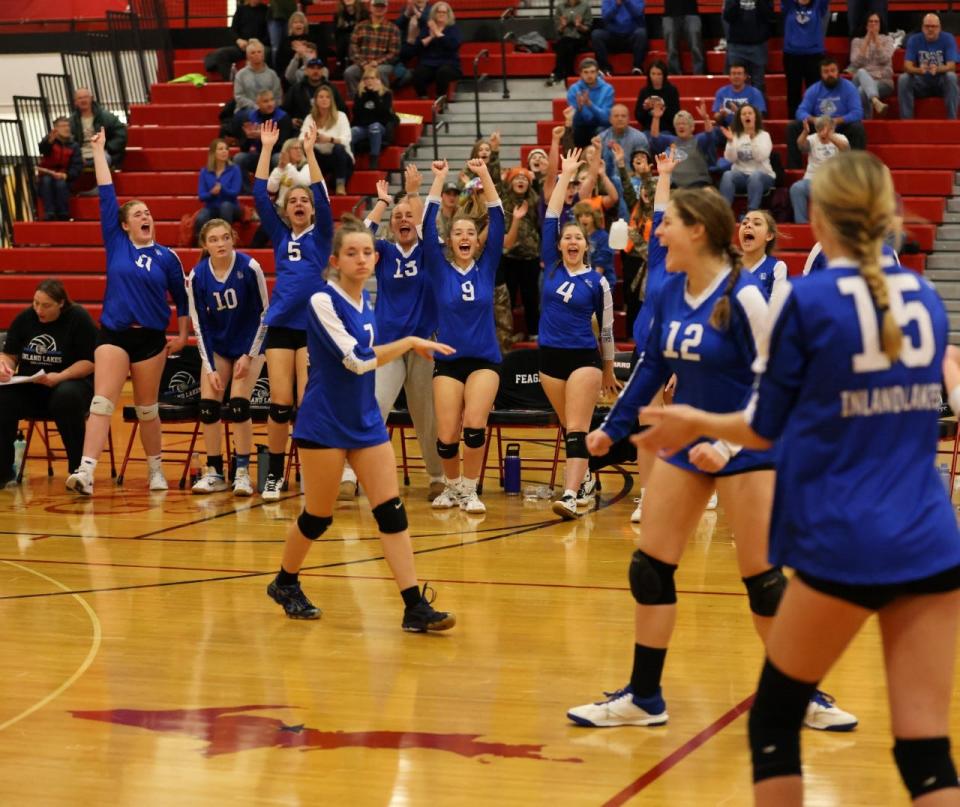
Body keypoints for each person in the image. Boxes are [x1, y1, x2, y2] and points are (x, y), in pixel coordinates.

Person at [635, 149, 958, 805]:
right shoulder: (923, 295)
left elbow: (763, 426)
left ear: (819, 216)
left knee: (776, 724)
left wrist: (693, 418)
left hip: (846, 540)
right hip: (931, 537)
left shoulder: (809, 299)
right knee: (925, 747)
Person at [567, 150, 857, 733]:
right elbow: (650, 366)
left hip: (748, 445)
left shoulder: (747, 296)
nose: (659, 230)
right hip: (686, 442)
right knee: (650, 568)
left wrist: (726, 447)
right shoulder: (672, 290)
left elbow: (777, 382)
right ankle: (644, 698)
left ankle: (804, 695)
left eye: (668, 221)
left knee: (763, 581)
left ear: (697, 231)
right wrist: (610, 430)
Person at [265, 217, 457, 632]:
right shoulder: (321, 301)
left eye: (368, 252)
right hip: (324, 423)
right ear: (335, 260)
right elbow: (357, 360)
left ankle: (413, 607)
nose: (362, 259)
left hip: (365, 421)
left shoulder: (364, 301)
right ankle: (285, 581)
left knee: (391, 511)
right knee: (318, 516)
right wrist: (407, 342)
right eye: (352, 253)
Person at [65, 129, 189, 495]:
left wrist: (181, 335)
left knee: (147, 408)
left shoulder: (168, 257)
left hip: (151, 338)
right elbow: (107, 195)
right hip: (115, 333)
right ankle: (86, 471)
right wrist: (98, 151)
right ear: (124, 224)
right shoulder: (116, 242)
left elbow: (182, 299)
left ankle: (155, 470)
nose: (144, 216)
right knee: (102, 400)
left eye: (147, 213)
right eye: (137, 214)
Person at [254, 119, 332, 501]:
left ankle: (314, 475)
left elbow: (320, 190)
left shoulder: (322, 235)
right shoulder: (281, 235)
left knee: (308, 403)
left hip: (314, 326)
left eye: (305, 201)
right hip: (282, 324)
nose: (300, 203)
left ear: (313, 210)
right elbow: (257, 195)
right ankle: (273, 475)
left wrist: (312, 151)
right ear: (285, 211)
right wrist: (267, 150)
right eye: (293, 201)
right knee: (279, 404)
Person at [422, 157, 504, 514]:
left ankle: (470, 490)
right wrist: (438, 179)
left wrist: (484, 174)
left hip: (485, 360)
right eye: (459, 233)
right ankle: (452, 487)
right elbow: (427, 225)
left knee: (474, 427)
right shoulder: (439, 269)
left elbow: (498, 220)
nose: (465, 237)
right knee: (446, 435)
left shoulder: (486, 266)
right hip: (448, 361)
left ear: (476, 240)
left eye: (471, 233)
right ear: (450, 240)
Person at [542, 149, 619, 519]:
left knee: (576, 428)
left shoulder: (597, 282)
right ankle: (586, 478)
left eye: (579, 238)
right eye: (567, 237)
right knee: (568, 425)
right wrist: (566, 175)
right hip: (549, 360)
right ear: (559, 245)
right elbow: (551, 216)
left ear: (586, 246)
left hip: (583, 360)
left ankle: (570, 495)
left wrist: (607, 368)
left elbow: (605, 330)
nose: (572, 241)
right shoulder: (552, 271)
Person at [362, 169, 446, 500]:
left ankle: (437, 475)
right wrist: (383, 203)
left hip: (424, 343)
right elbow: (359, 235)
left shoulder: (429, 249)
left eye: (408, 214)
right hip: (388, 344)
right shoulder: (383, 250)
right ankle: (354, 474)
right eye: (397, 217)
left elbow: (426, 221)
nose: (402, 219)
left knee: (425, 413)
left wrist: (415, 193)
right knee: (375, 405)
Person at [187, 219, 269, 496]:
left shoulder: (249, 267)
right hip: (220, 346)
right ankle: (214, 472)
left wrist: (249, 354)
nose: (220, 244)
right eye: (214, 239)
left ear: (233, 238)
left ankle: (243, 472)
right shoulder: (197, 276)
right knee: (208, 405)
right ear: (205, 244)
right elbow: (200, 325)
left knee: (238, 403)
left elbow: (265, 315)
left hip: (251, 344)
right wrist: (210, 367)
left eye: (225, 238)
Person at [0, 280, 96, 485]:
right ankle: (3, 470)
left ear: (61, 303)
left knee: (66, 396)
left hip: (71, 383)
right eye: (35, 303)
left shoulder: (78, 319)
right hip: (32, 386)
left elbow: (90, 362)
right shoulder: (26, 318)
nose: (38, 310)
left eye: (46, 305)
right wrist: (5, 367)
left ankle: (78, 471)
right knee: (3, 398)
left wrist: (60, 376)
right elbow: (9, 354)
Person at [786, 58, 865, 169]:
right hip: (819, 126)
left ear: (838, 72)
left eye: (833, 71)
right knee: (792, 126)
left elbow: (857, 113)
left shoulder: (849, 87)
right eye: (826, 72)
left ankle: (857, 167)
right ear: (821, 74)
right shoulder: (813, 89)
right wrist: (815, 120)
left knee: (857, 128)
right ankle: (794, 169)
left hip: (840, 125)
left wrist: (836, 121)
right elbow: (800, 112)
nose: (830, 74)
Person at [501, 167, 542, 341]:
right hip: (508, 257)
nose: (520, 181)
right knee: (507, 298)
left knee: (531, 297)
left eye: (524, 178)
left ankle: (534, 332)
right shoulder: (503, 202)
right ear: (510, 183)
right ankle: (506, 333)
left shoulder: (535, 201)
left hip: (530, 257)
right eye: (516, 178)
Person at [898, 13, 958, 121]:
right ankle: (906, 121)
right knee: (903, 79)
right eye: (927, 26)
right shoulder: (914, 40)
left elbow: (952, 66)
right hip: (921, 82)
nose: (930, 29)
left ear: (939, 28)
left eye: (933, 26)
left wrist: (938, 69)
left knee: (951, 77)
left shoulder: (948, 38)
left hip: (941, 82)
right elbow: (907, 66)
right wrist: (919, 70)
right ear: (922, 28)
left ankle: (952, 120)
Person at [790, 114, 849, 224]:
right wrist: (805, 133)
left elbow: (846, 150)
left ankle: (834, 225)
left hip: (834, 181)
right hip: (812, 180)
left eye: (826, 128)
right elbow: (801, 147)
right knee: (797, 188)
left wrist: (830, 137)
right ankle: (802, 225)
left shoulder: (841, 138)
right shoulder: (812, 139)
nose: (822, 132)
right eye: (820, 129)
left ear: (832, 128)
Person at [717, 103, 776, 212]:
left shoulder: (764, 135)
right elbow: (730, 159)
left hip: (763, 176)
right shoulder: (734, 135)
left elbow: (760, 157)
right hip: (741, 176)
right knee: (727, 175)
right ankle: (724, 212)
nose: (747, 116)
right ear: (740, 118)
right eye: (744, 114)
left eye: (750, 113)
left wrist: (752, 139)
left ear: (755, 117)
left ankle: (751, 212)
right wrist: (730, 142)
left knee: (755, 176)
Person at [300, 86, 354, 195]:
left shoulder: (341, 116)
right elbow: (301, 139)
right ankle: (311, 186)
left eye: (327, 97)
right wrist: (312, 139)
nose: (324, 99)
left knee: (339, 148)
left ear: (331, 100)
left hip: (340, 158)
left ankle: (340, 185)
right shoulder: (310, 118)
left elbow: (346, 139)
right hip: (320, 157)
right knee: (308, 150)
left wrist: (329, 139)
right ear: (315, 100)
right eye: (321, 97)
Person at [345, 0, 401, 99]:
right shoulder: (360, 26)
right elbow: (353, 48)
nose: (379, 9)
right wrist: (364, 64)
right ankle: (356, 101)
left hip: (383, 65)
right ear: (371, 8)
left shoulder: (393, 28)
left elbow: (394, 53)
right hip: (362, 64)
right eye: (376, 6)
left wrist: (376, 63)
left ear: (386, 9)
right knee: (349, 72)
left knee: (380, 71)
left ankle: (383, 101)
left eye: (382, 7)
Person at [783, 0, 829, 118]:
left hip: (814, 56)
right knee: (793, 93)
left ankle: (815, 126)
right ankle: (794, 125)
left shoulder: (818, 6)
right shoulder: (789, 6)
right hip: (792, 56)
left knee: (814, 93)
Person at [204, 0, 270, 82]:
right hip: (242, 47)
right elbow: (232, 30)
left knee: (266, 52)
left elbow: (269, 33)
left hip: (259, 46)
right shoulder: (241, 10)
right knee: (220, 54)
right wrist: (238, 40)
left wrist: (258, 43)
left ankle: (261, 81)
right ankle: (233, 81)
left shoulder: (266, 10)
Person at [649, 109, 716, 188]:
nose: (681, 126)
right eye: (678, 124)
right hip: (675, 186)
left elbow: (709, 135)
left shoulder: (699, 140)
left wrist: (706, 118)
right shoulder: (670, 140)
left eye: (684, 124)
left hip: (698, 184)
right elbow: (655, 138)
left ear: (692, 127)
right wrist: (656, 118)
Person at [723, 0, 775, 98]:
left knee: (759, 86)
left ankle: (758, 113)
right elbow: (728, 16)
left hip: (758, 45)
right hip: (736, 45)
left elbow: (769, 16)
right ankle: (738, 113)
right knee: (738, 85)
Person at [410, 2, 462, 100]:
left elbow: (453, 46)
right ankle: (423, 99)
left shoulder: (453, 29)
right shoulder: (426, 29)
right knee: (418, 74)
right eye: (438, 12)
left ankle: (440, 100)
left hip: (450, 64)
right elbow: (417, 47)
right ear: (434, 14)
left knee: (443, 72)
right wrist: (431, 36)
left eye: (444, 12)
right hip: (429, 63)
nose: (441, 14)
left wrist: (438, 33)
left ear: (448, 15)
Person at [196, 138, 243, 243]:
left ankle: (228, 240)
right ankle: (202, 245)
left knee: (225, 206)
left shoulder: (234, 169)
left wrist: (222, 189)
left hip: (232, 207)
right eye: (221, 149)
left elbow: (235, 192)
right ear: (213, 153)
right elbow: (201, 196)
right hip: (212, 207)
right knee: (201, 217)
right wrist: (211, 193)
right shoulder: (205, 171)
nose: (224, 151)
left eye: (226, 149)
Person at [849, 12, 895, 117]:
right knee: (861, 72)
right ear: (866, 24)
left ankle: (868, 123)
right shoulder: (856, 41)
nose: (873, 24)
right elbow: (855, 63)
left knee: (862, 90)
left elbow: (884, 59)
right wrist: (867, 40)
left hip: (883, 81)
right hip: (860, 78)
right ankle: (875, 100)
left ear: (880, 24)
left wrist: (877, 40)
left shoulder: (888, 40)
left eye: (876, 22)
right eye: (870, 21)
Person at [352, 66, 398, 170]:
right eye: (366, 79)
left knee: (374, 127)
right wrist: (366, 94)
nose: (369, 81)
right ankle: (351, 160)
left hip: (379, 126)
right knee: (352, 132)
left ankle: (374, 158)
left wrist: (375, 95)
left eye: (372, 78)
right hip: (363, 127)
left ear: (378, 80)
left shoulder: (386, 94)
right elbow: (357, 114)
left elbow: (384, 115)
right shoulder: (359, 95)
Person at [69, 88, 126, 169]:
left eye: (86, 97)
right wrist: (76, 154)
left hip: (102, 152)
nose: (83, 100)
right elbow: (68, 141)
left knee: (104, 160)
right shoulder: (71, 121)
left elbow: (120, 135)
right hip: (81, 155)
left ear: (91, 98)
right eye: (80, 98)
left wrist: (107, 148)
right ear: (75, 102)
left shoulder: (106, 116)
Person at [36, 117, 81, 221]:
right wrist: (49, 142)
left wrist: (67, 175)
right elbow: (43, 149)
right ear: (56, 129)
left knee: (60, 183)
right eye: (63, 126)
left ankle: (63, 213)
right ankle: (49, 213)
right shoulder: (50, 141)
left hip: (65, 176)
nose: (67, 128)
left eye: (68, 125)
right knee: (46, 181)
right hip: (47, 174)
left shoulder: (74, 145)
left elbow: (77, 165)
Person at [283, 57, 347, 130]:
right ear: (306, 71)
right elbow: (285, 110)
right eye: (312, 68)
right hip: (301, 128)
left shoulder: (331, 88)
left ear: (323, 71)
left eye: (318, 68)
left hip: (327, 127)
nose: (315, 71)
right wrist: (291, 120)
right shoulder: (296, 89)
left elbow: (342, 109)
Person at [566, 58, 615, 148]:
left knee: (601, 131)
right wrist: (580, 110)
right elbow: (574, 120)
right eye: (586, 72)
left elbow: (606, 119)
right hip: (581, 126)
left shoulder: (607, 89)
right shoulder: (574, 89)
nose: (589, 75)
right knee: (576, 131)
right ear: (580, 74)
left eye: (592, 72)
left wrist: (590, 105)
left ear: (597, 73)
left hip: (601, 126)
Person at [591, 0, 648, 76]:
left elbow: (638, 14)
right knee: (596, 34)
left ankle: (637, 67)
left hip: (631, 37)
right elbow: (605, 18)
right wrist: (616, 5)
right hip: (613, 36)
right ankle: (605, 67)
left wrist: (627, 2)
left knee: (641, 33)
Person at [738, 209, 786, 298]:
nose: (748, 225)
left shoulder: (777, 267)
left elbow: (777, 308)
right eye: (744, 223)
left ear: (769, 235)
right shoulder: (727, 266)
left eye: (756, 223)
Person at [599, 103, 650, 179]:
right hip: (607, 180)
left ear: (629, 119)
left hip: (633, 179)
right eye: (616, 116)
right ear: (610, 119)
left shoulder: (639, 137)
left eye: (623, 116)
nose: (620, 119)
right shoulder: (601, 138)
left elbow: (642, 166)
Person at [548, 0, 592, 86]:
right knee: (566, 44)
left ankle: (558, 73)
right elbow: (558, 30)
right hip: (564, 38)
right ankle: (569, 75)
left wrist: (579, 26)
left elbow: (588, 29)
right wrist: (563, 26)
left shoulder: (585, 6)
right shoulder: (560, 7)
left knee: (567, 44)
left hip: (580, 38)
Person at [234, 39, 283, 113]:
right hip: (247, 110)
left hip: (270, 110)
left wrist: (268, 106)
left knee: (284, 118)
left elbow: (277, 95)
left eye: (259, 52)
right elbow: (239, 96)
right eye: (253, 53)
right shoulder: (241, 75)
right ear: (248, 56)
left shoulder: (272, 74)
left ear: (263, 55)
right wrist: (255, 106)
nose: (256, 54)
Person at [711, 62, 767, 126]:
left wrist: (738, 113)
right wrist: (721, 115)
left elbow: (759, 117)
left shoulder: (755, 93)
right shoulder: (721, 92)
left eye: (739, 74)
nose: (736, 76)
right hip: (725, 128)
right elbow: (716, 117)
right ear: (729, 76)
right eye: (733, 74)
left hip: (746, 128)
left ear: (745, 76)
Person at [634, 61, 680, 134]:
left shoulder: (671, 91)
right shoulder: (644, 91)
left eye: (659, 74)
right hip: (648, 129)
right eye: (653, 74)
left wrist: (662, 109)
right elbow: (638, 117)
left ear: (664, 75)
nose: (656, 77)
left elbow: (676, 115)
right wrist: (645, 109)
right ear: (649, 75)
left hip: (666, 129)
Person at [663, 0, 704, 76]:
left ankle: (699, 74)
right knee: (671, 47)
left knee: (696, 46)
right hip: (670, 13)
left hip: (691, 11)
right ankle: (674, 76)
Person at [267, 137, 310, 210]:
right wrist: (280, 169)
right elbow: (271, 189)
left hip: (299, 207)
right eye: (295, 148)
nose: (299, 151)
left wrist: (288, 166)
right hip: (281, 207)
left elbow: (303, 183)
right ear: (286, 151)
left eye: (300, 148)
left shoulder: (307, 166)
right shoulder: (281, 168)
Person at [333, 0, 369, 76]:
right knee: (345, 38)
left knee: (349, 38)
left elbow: (366, 30)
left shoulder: (363, 12)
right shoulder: (338, 13)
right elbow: (337, 32)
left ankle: (343, 64)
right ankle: (341, 64)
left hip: (361, 39)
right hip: (343, 42)